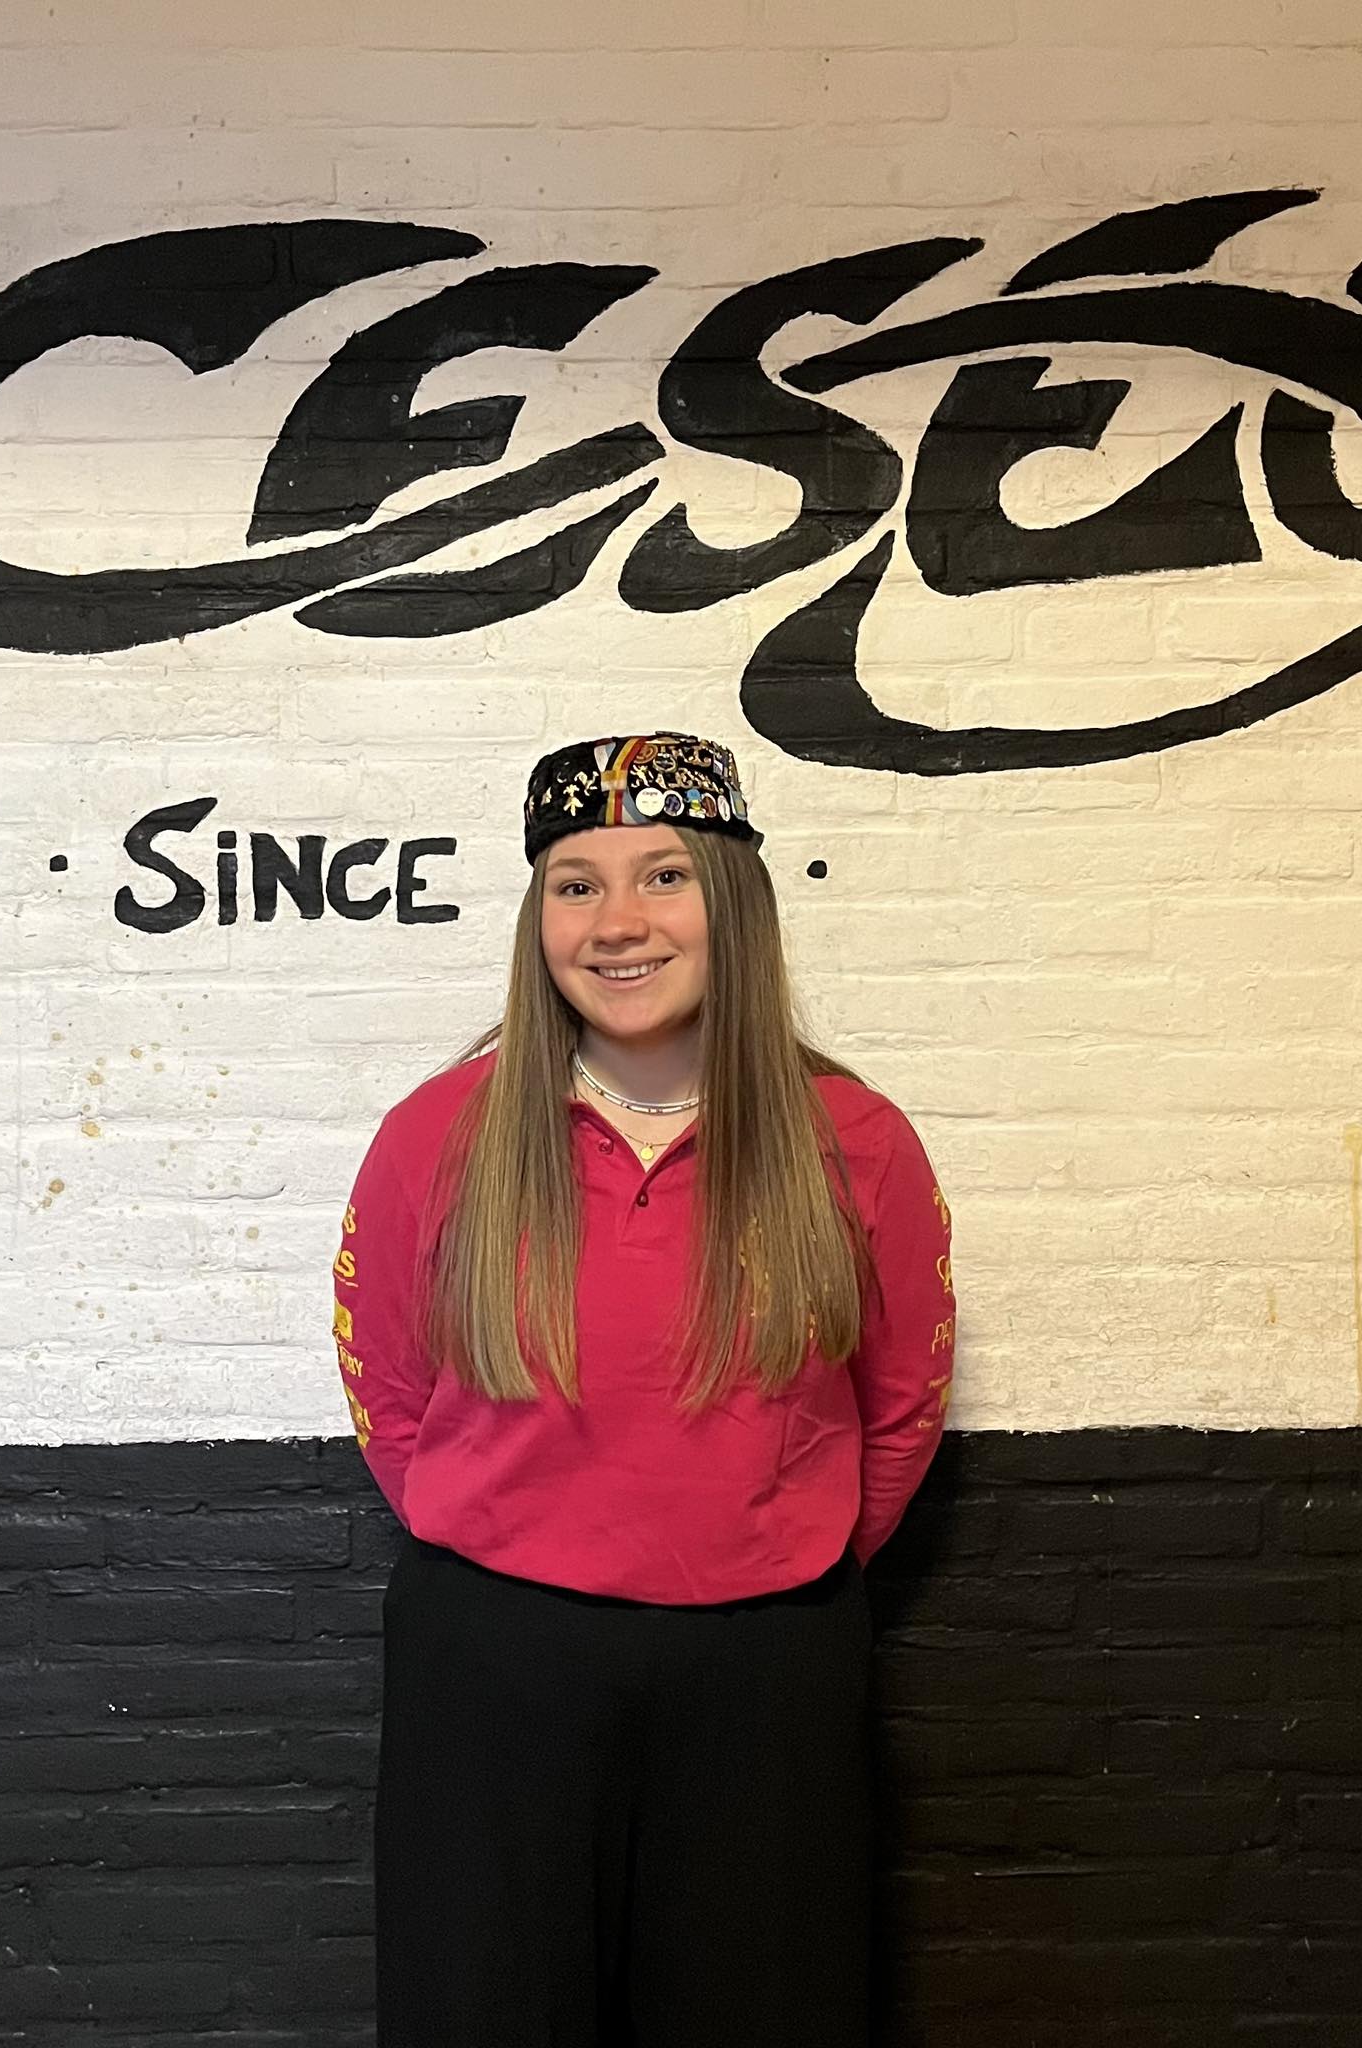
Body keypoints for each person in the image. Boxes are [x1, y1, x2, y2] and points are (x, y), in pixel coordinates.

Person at [330, 730, 956, 2047]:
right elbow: (387, 1381)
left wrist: (768, 1552)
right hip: (494, 1666)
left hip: (764, 1670)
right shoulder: (438, 1136)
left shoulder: (858, 1144)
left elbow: (900, 1405)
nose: (618, 923)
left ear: (733, 903)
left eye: (663, 876)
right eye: (576, 885)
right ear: (538, 920)